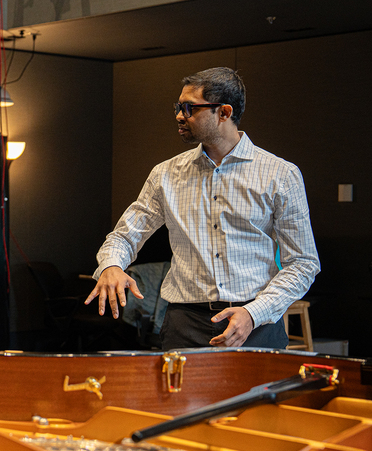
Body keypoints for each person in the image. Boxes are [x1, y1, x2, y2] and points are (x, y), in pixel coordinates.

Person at [85, 67, 320, 349]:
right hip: (185, 324)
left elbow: (304, 263)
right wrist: (111, 265)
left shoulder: (280, 174)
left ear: (224, 112)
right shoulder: (166, 174)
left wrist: (253, 313)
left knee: (258, 395)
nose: (179, 116)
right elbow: (125, 235)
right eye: (178, 107)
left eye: (189, 108)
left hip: (256, 324)